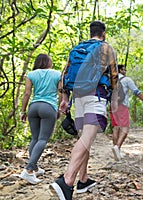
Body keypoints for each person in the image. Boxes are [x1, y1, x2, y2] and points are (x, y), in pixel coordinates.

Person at [51, 21, 118, 200]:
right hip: (96, 95)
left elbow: (65, 74)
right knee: (87, 138)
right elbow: (113, 76)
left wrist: (64, 98)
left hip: (78, 97)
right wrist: (114, 101)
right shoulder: (106, 48)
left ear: (90, 33)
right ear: (103, 33)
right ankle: (67, 180)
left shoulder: (77, 49)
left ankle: (83, 179)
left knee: (84, 138)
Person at [20, 54, 61, 184]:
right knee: (42, 139)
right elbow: (61, 92)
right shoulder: (57, 74)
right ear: (48, 62)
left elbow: (27, 93)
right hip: (48, 107)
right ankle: (28, 169)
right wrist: (60, 109)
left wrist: (23, 110)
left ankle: (35, 167)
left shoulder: (31, 74)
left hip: (33, 107)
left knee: (35, 138)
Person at [110, 64, 143, 161]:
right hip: (122, 106)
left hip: (113, 105)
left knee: (116, 128)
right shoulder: (127, 80)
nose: (125, 71)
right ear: (121, 70)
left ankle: (117, 152)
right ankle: (117, 147)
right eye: (124, 70)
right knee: (125, 129)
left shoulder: (111, 79)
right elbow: (136, 91)